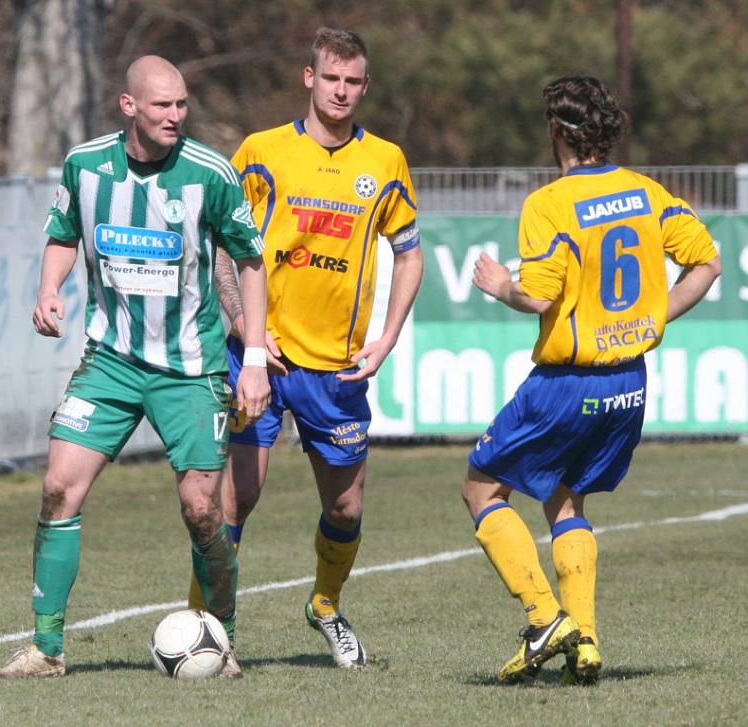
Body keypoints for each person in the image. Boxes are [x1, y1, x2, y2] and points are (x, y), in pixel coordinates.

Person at [0, 55, 271, 680]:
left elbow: (250, 261)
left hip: (190, 369)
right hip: (110, 360)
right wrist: (48, 289)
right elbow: (62, 232)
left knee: (202, 509)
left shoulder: (211, 173)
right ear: (129, 106)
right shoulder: (85, 166)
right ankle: (46, 648)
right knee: (59, 485)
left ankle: (222, 640)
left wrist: (252, 359)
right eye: (163, 104)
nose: (176, 115)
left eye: (183, 104)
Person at [464, 75, 721, 685]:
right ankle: (586, 645)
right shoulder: (645, 192)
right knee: (564, 496)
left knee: (480, 488)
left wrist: (501, 283)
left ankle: (546, 616)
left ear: (556, 130)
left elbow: (538, 295)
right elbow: (707, 262)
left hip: (567, 383)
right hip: (628, 383)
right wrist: (650, 317)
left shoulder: (549, 204)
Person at [188, 27, 424, 669]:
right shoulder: (262, 152)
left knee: (345, 506)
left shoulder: (385, 161)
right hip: (260, 359)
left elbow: (409, 253)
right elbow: (219, 245)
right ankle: (208, 629)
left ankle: (325, 604)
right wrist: (243, 326)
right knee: (233, 498)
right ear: (309, 78)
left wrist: (388, 336)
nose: (341, 91)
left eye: (353, 82)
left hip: (337, 368)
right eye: (332, 78)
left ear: (364, 86)